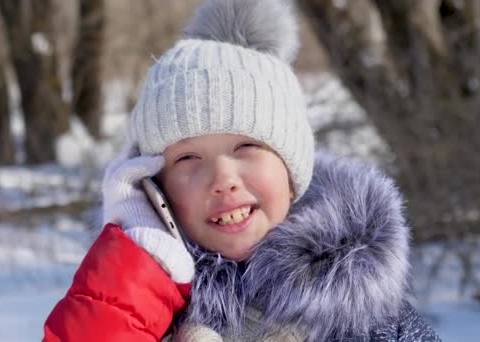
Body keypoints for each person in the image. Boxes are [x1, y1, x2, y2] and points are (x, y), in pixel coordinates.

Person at [44, 0, 441, 341]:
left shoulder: (368, 316)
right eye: (187, 159)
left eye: (247, 147)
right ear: (155, 185)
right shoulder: (150, 306)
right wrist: (134, 268)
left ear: (291, 167)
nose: (222, 179)